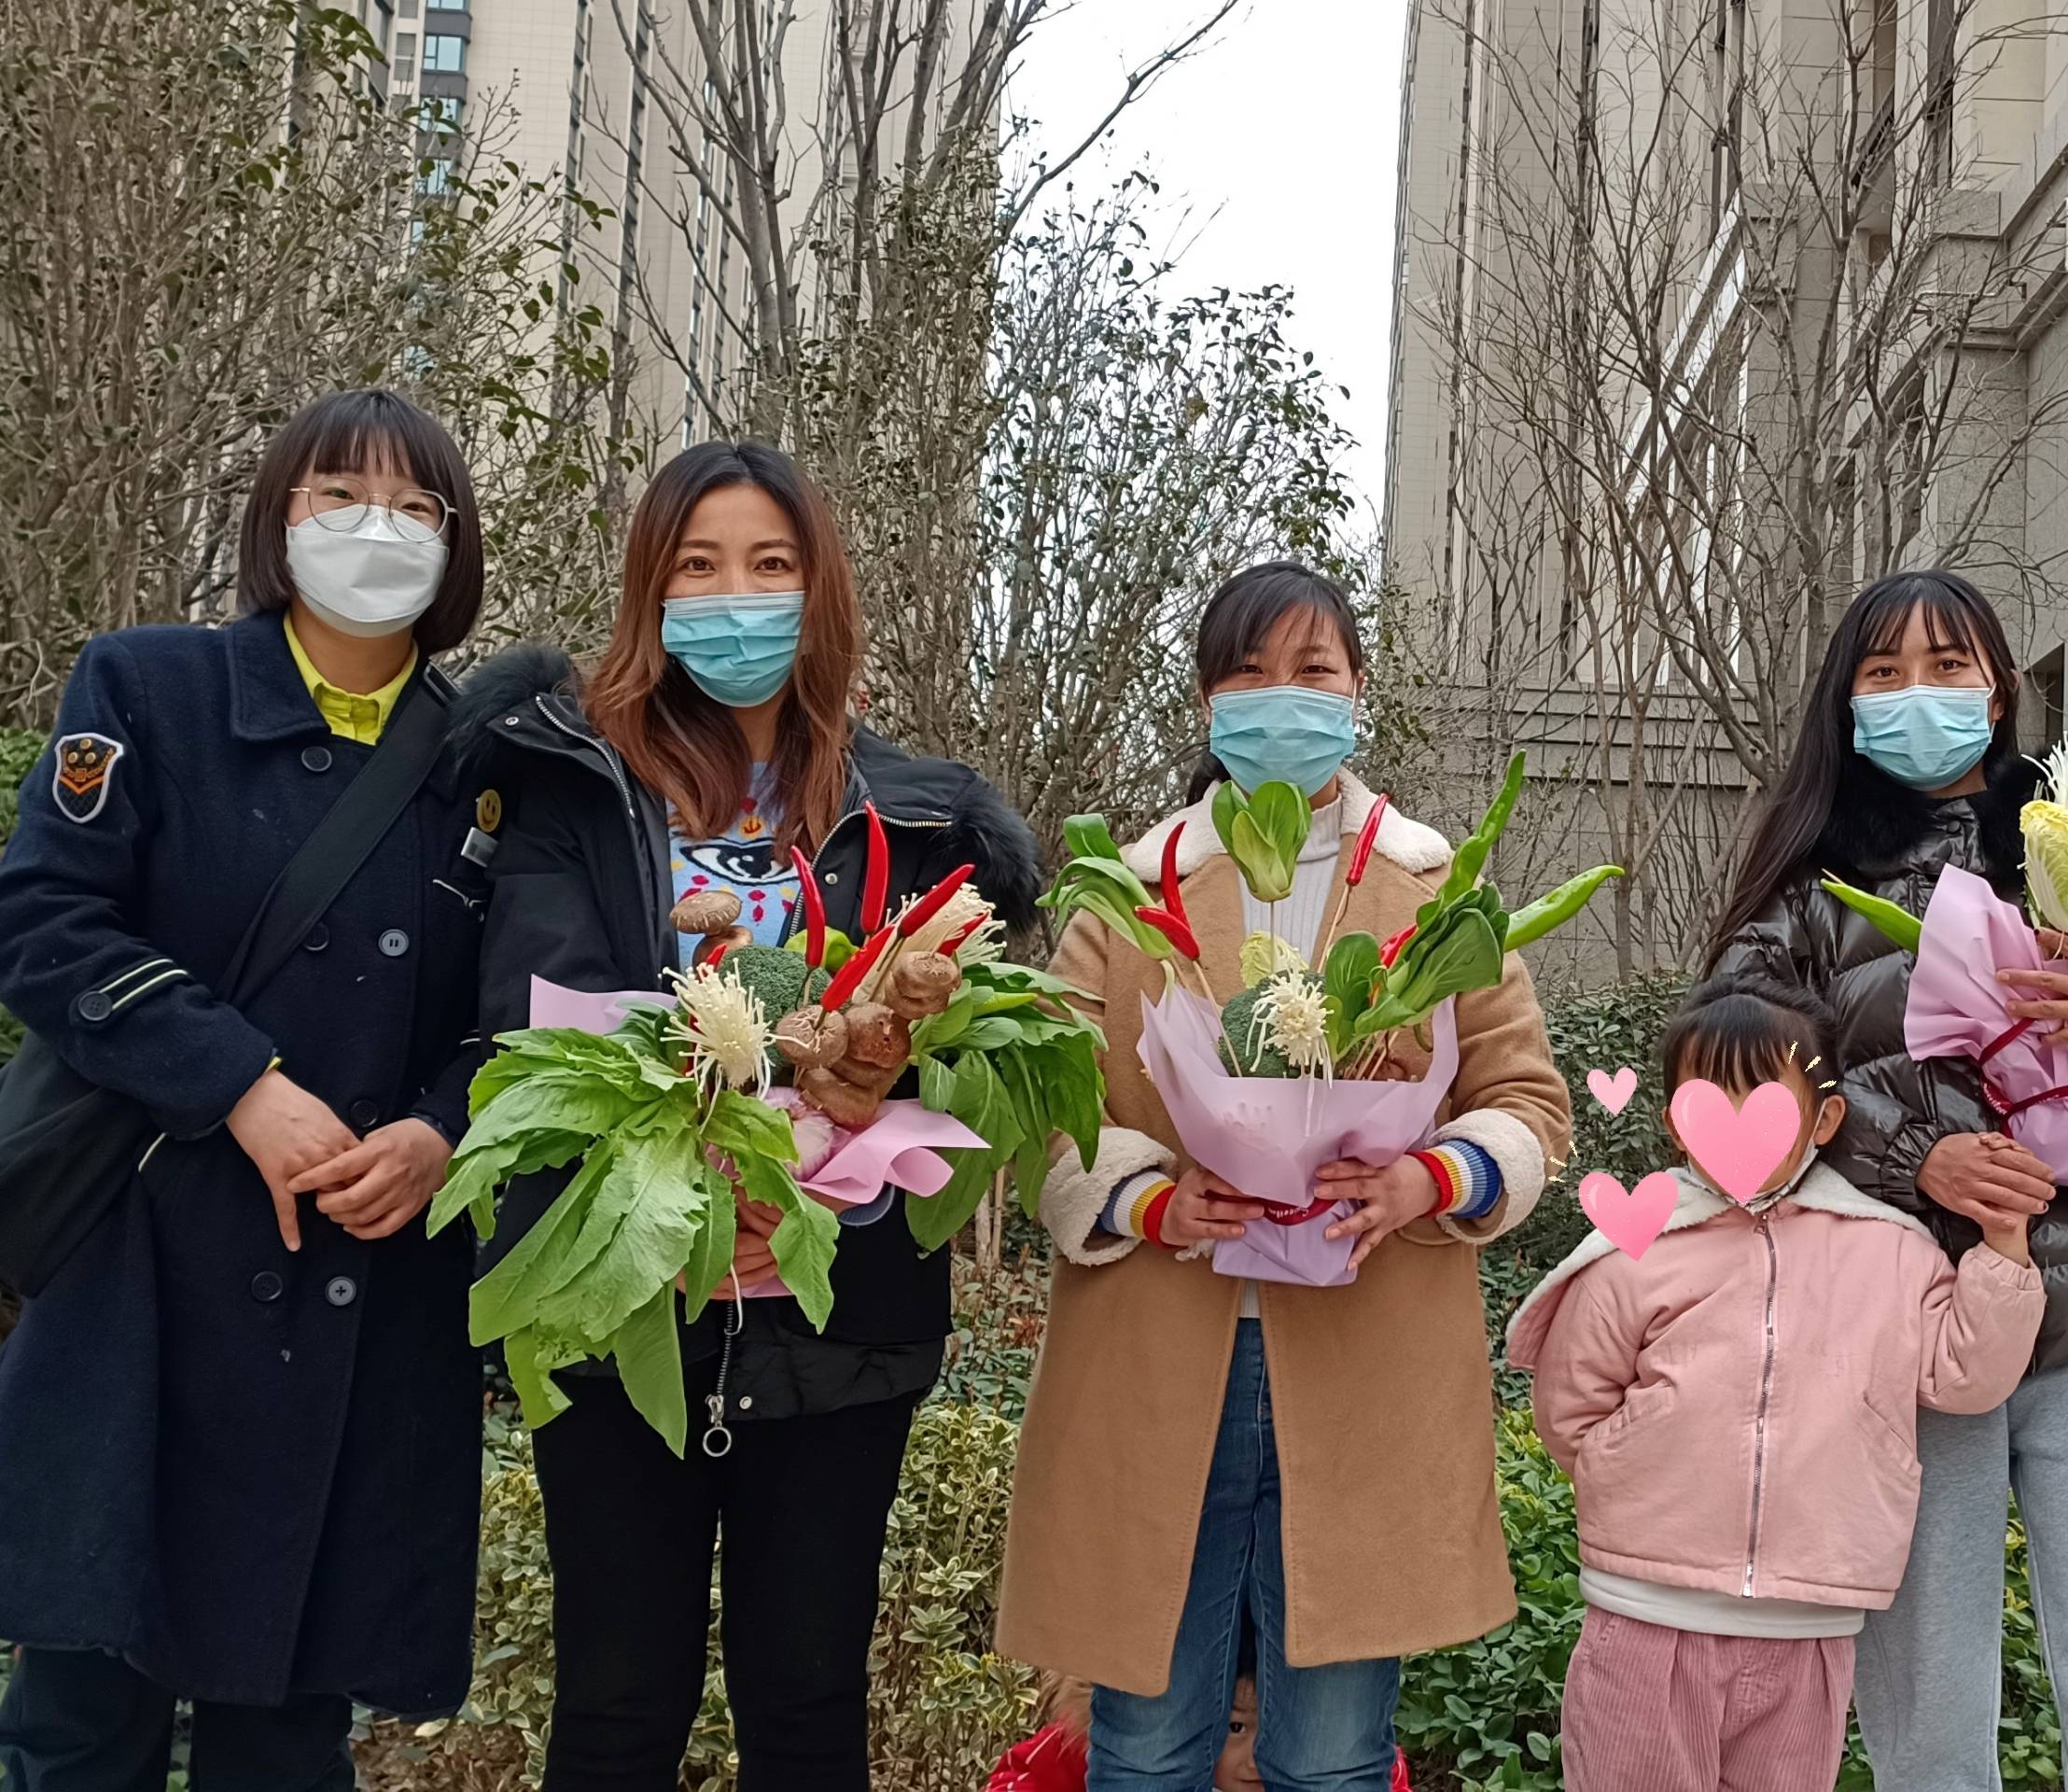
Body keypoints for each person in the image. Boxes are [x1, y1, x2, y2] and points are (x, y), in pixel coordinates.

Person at [468, 439, 1041, 1792]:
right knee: (615, 1701)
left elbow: (962, 1049)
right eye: (699, 568)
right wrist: (697, 1158)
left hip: (839, 1321)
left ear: (820, 590)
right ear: (650, 597)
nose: (738, 598)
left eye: (770, 567)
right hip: (621, 1309)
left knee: (805, 1702)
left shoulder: (915, 810)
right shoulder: (571, 786)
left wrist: (877, 1087)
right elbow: (527, 1018)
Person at [997, 562, 1573, 1792]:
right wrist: (1155, 1198)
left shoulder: (1436, 886)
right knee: (1145, 1741)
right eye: (1248, 674)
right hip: (1158, 1353)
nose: (1281, 701)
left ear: (1358, 690)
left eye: (1312, 672)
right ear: (1206, 701)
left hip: (1366, 1358)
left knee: (1333, 1750)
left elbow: (1527, 1105)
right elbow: (1047, 1106)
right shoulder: (1128, 890)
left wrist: (1426, 1180)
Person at [1704, 567, 2068, 1790]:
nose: (1922, 694)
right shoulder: (1807, 884)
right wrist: (1914, 1154)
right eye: (1885, 673)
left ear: (2001, 688)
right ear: (1845, 705)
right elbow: (1726, 1087)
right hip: (1904, 1325)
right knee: (1926, 1720)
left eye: (1950, 666)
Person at [0, 388, 497, 1789]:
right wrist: (238, 1083)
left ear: (454, 549)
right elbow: (45, 921)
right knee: (80, 1717)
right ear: (280, 520)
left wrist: (440, 1136)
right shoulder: (147, 689)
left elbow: (521, 1021)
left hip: (358, 1296)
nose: (374, 528)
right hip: (142, 1278)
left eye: (414, 507)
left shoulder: (491, 769)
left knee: (286, 1727)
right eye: (337, 495)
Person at [1507, 976, 2047, 1792]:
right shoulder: (1634, 1254)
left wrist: (2003, 1248)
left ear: (1825, 1117)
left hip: (1813, 1623)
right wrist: (1634, 1464)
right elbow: (1573, 1404)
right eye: (1704, 1096)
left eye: (1761, 1093)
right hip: (1649, 1613)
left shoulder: (1889, 1252)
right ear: (1673, 1123)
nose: (1732, 1117)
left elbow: (1965, 1374)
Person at [986, 1662, 1417, 1792]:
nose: (1258, 1756)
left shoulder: (1336, 1766)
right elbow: (1016, 1782)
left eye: (1280, 1727)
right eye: (1234, 1728)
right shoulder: (1093, 1752)